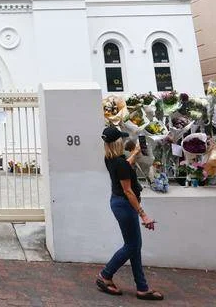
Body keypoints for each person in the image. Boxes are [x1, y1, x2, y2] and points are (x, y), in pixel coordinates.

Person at [96, 126, 164, 301]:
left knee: (134, 246)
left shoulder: (110, 158)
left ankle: (142, 287)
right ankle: (105, 275)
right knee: (132, 246)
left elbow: (124, 166)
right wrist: (143, 214)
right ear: (118, 143)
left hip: (118, 203)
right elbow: (128, 191)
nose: (125, 141)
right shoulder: (119, 163)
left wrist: (135, 153)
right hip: (126, 205)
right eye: (122, 140)